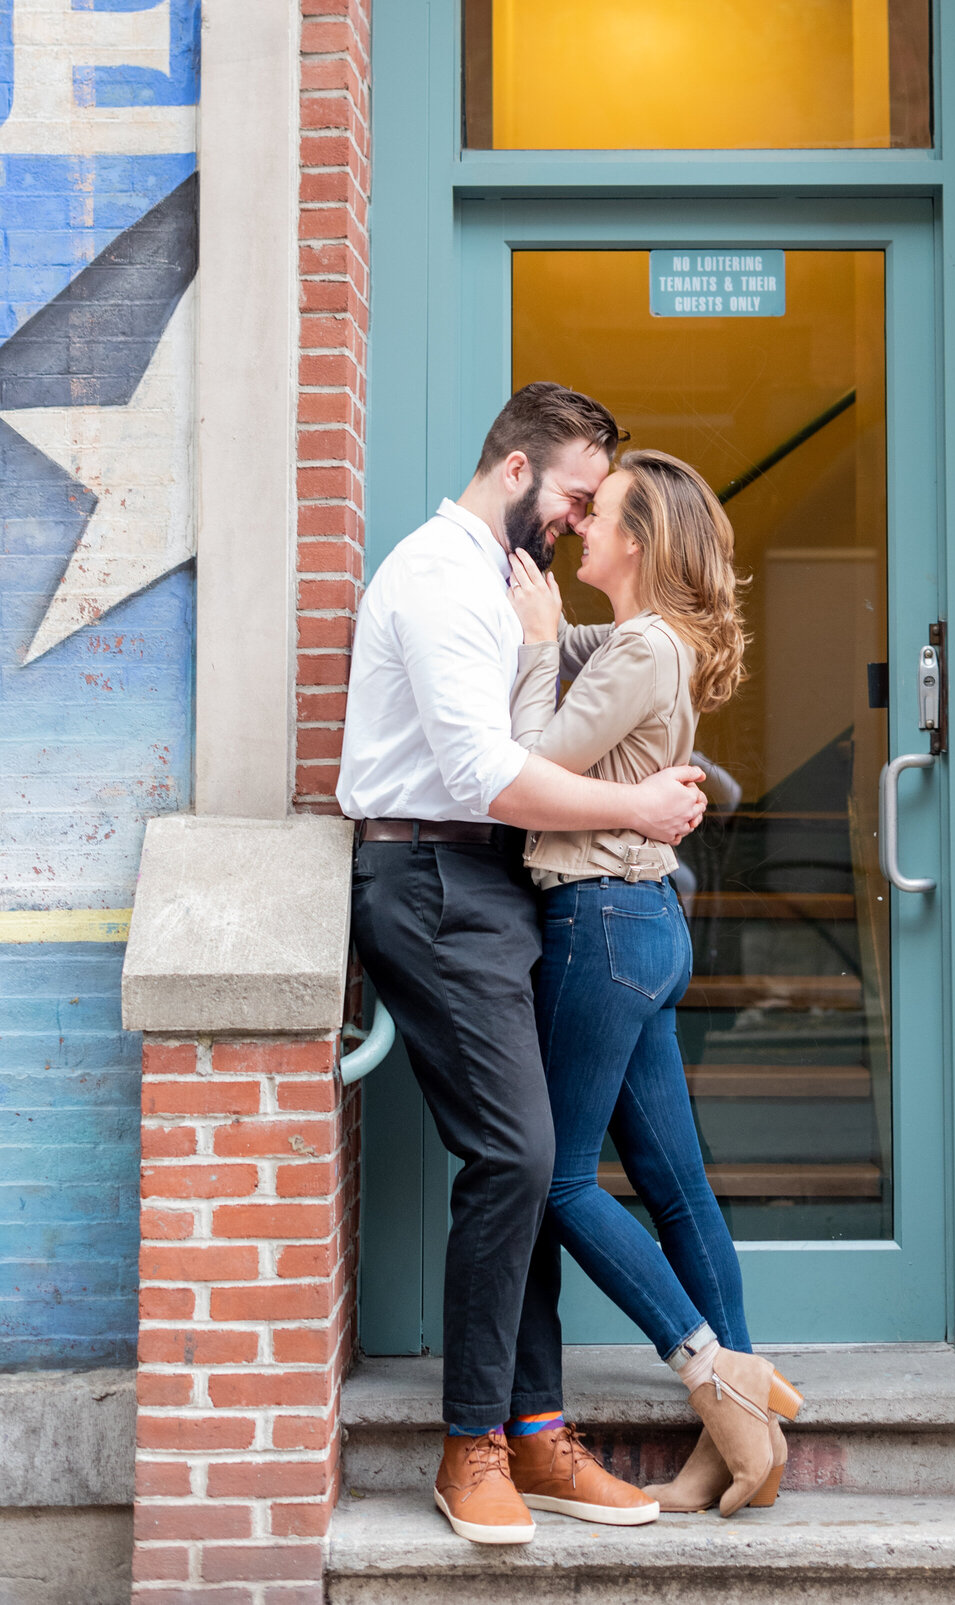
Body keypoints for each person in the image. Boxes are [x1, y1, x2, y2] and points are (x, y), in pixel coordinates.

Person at [337, 385, 709, 1549]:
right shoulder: (440, 579)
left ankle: (536, 1427)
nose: (573, 519)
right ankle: (472, 1449)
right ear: (514, 469)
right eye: (571, 495)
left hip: (494, 884)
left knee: (535, 1159)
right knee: (518, 1154)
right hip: (434, 880)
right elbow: (487, 777)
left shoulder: (503, 586)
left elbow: (614, 678)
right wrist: (639, 806)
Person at [506, 448, 804, 1519]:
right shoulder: (650, 640)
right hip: (642, 925)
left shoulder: (638, 647)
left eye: (601, 516)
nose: (580, 524)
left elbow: (530, 757)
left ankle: (712, 1373)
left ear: (637, 542)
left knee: (559, 1179)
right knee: (676, 1186)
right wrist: (532, 628)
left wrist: (538, 645)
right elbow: (563, 652)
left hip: (599, 924)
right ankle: (743, 1440)